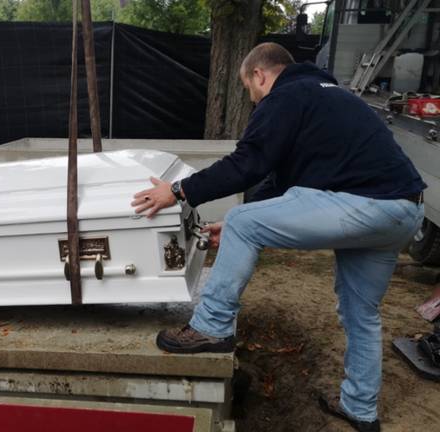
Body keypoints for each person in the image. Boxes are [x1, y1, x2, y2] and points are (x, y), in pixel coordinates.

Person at [131, 43, 425, 432]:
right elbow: (284, 181)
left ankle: (211, 327)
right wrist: (247, 226)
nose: (252, 99)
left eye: (249, 89)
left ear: (259, 75)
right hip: (402, 210)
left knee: (241, 219)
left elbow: (247, 163)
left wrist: (180, 191)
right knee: (361, 315)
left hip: (364, 204)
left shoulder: (286, 96)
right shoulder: (330, 96)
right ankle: (360, 409)